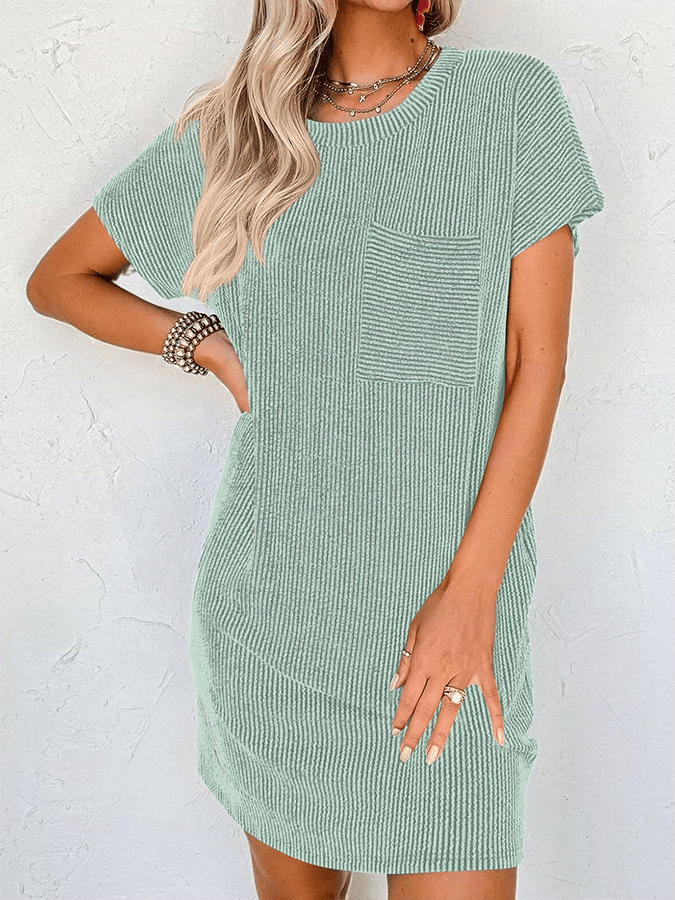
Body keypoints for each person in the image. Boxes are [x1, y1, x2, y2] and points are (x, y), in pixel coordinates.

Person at [25, 1, 605, 898]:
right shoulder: (237, 137)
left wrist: (470, 596)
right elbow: (59, 280)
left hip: (450, 631)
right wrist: (203, 343)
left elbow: (537, 367)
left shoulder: (509, 103)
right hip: (275, 631)